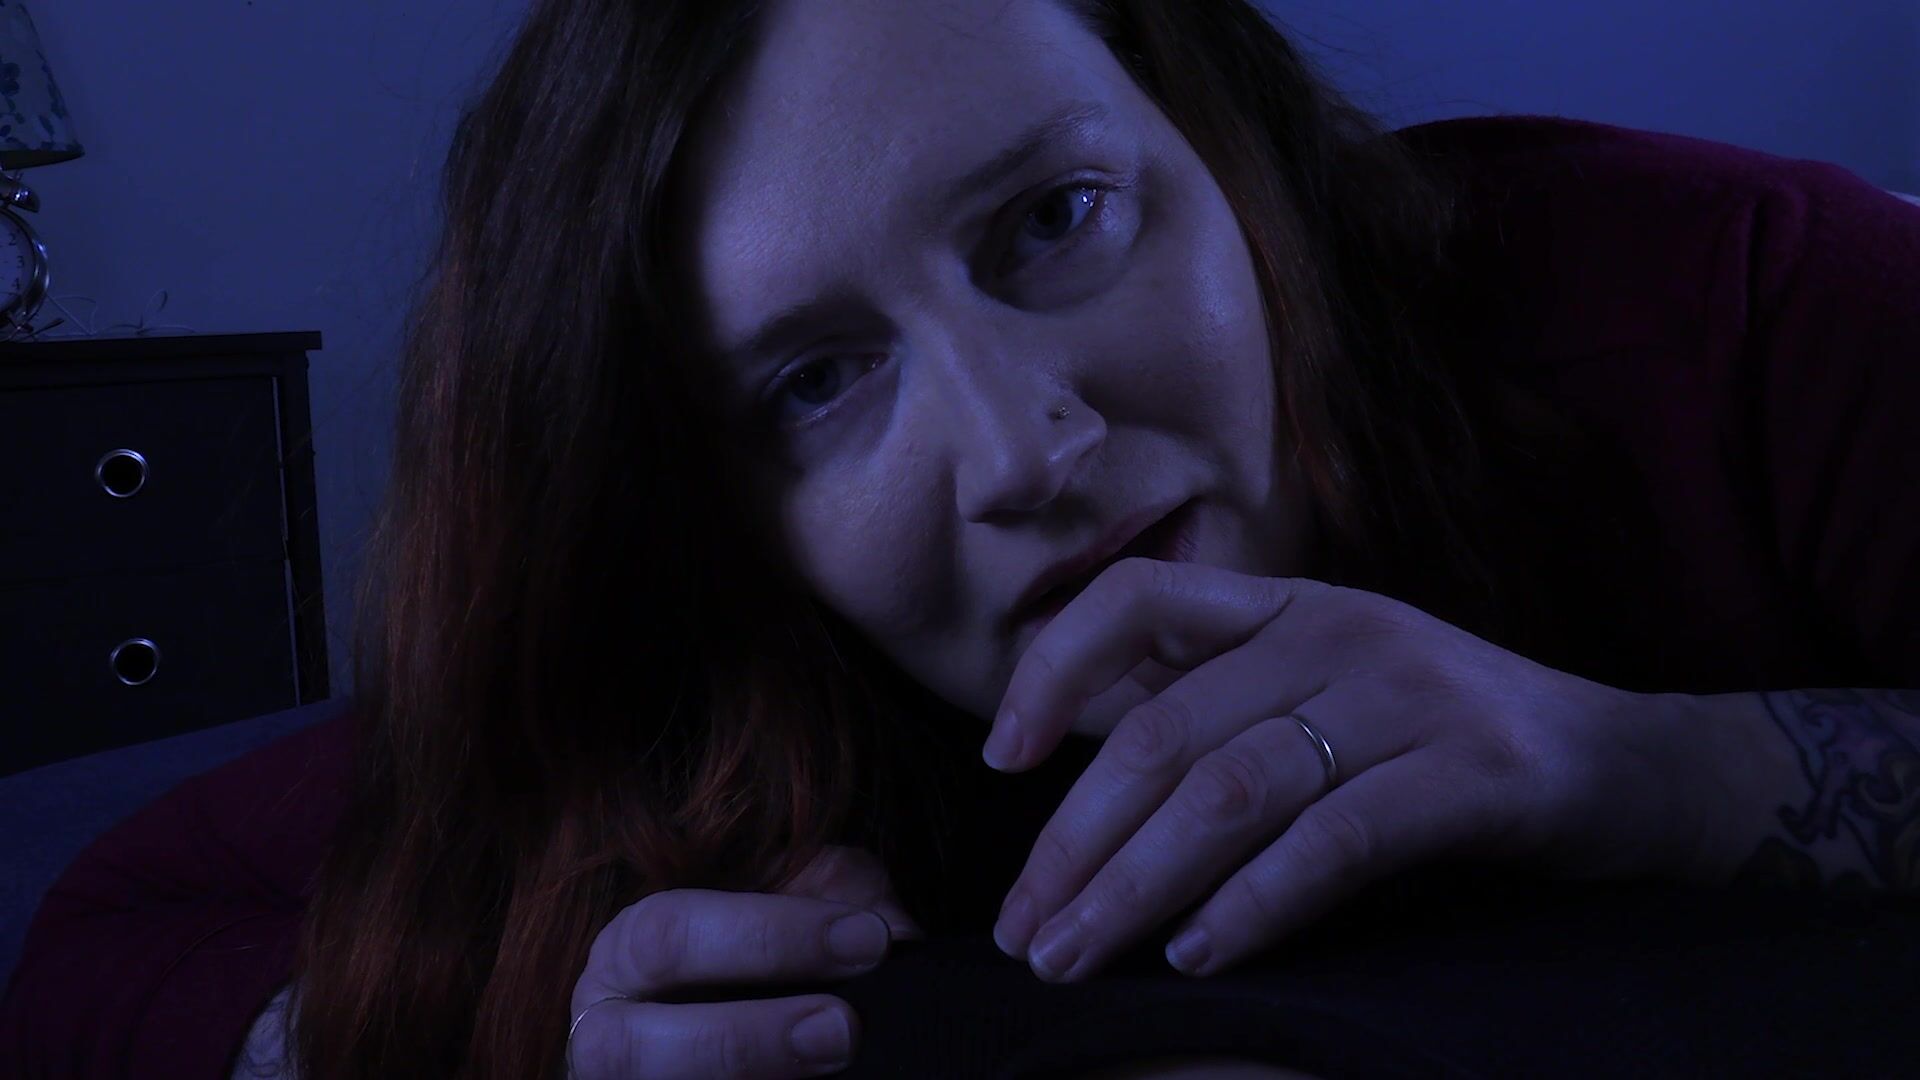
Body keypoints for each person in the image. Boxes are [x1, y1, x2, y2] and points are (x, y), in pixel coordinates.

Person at [4, 0, 1919, 1076]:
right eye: (816, 382)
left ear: (1221, 141)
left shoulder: (1728, 300)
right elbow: (98, 938)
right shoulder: (719, 655)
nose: (1023, 455)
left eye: (1056, 219)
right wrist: (501, 1036)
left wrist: (1654, 765)